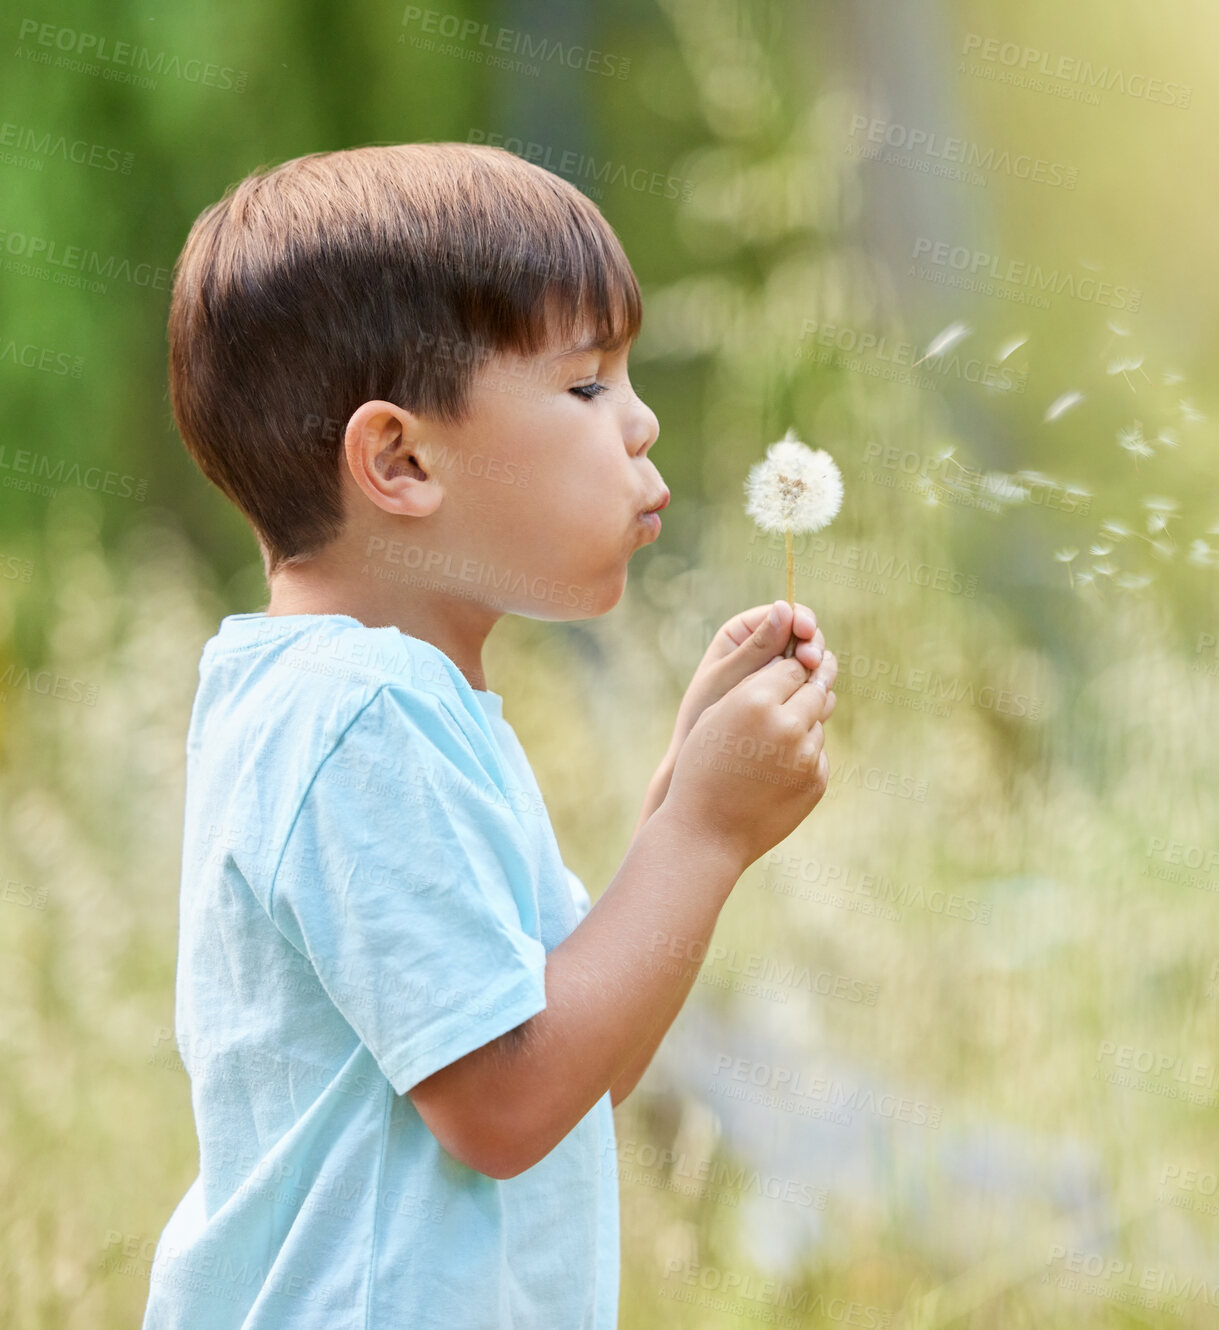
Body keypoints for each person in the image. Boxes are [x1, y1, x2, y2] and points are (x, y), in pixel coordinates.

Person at [142, 141, 839, 1329]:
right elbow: (506, 1110)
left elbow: (578, 1074)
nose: (639, 420)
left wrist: (681, 806)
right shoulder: (363, 711)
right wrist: (706, 840)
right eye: (585, 386)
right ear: (399, 459)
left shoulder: (379, 703)